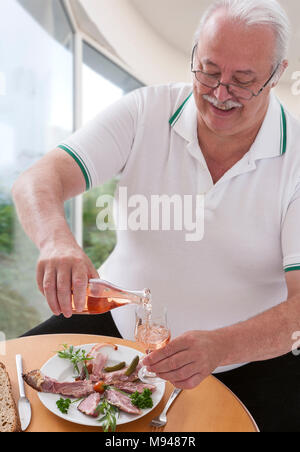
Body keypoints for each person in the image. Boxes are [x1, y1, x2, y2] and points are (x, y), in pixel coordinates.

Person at [12, 0, 300, 431]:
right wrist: (56, 239)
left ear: (277, 73)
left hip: (245, 358)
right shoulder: (146, 110)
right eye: (208, 71)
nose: (220, 93)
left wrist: (222, 347)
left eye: (243, 81)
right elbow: (38, 179)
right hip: (116, 323)